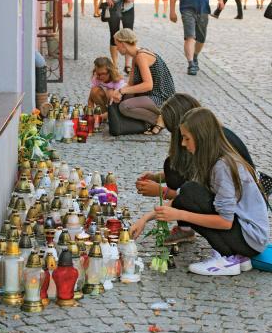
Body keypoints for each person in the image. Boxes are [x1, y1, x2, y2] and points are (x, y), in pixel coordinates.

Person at [154, 108, 269, 276]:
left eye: (187, 138)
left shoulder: (223, 166)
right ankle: (239, 257)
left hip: (250, 239)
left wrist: (180, 214)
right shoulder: (215, 159)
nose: (182, 144)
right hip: (247, 233)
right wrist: (145, 220)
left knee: (189, 194)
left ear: (201, 138)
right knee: (187, 194)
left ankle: (227, 258)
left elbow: (225, 222)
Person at [132, 93, 255, 245]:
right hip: (237, 213)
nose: (181, 143)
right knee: (175, 170)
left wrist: (163, 193)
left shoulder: (219, 157)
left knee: (182, 180)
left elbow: (194, 191)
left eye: (184, 137)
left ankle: (217, 247)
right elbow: (192, 178)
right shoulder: (211, 140)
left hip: (242, 221)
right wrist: (157, 178)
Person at [110, 28, 175, 134]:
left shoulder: (141, 56)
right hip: (152, 95)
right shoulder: (136, 56)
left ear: (122, 44)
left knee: (124, 106)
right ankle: (149, 120)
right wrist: (117, 91)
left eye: (117, 45)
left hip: (162, 98)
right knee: (124, 98)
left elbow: (148, 85)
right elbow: (131, 84)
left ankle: (161, 120)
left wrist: (121, 91)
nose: (116, 48)